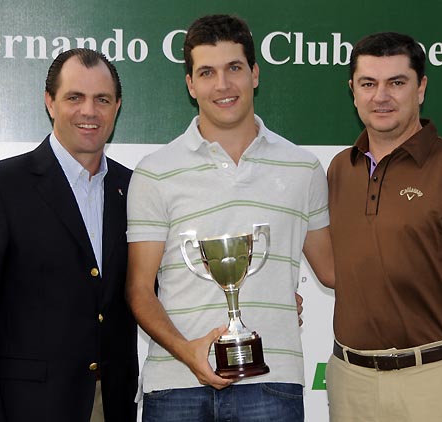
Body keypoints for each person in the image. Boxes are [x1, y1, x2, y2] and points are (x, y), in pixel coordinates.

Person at [125, 14, 334, 421]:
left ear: (254, 74)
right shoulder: (155, 172)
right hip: (175, 386)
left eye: (234, 68)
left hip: (271, 381)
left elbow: (332, 270)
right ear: (190, 84)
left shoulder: (303, 168)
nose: (222, 85)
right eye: (207, 72)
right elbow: (138, 290)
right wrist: (188, 352)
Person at [325, 32, 442, 422]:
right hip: (351, 382)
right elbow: (334, 271)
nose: (381, 96)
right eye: (368, 84)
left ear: (421, 88)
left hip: (439, 380)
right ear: (353, 91)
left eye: (396, 82)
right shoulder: (341, 170)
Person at [0, 48, 138, 422]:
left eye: (102, 99)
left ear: (117, 107)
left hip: (112, 405)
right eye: (74, 98)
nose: (89, 111)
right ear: (50, 102)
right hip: (26, 408)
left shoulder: (133, 189)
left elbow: (154, 288)